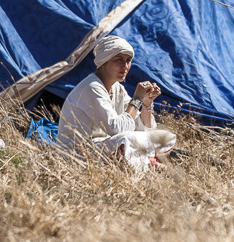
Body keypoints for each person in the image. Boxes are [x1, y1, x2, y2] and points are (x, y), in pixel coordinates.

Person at [57, 35, 176, 172]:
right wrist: (137, 99)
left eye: (128, 61)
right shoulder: (92, 87)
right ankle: (149, 164)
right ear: (104, 63)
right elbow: (117, 129)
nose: (125, 66)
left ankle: (147, 161)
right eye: (119, 60)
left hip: (103, 147)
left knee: (165, 137)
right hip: (78, 153)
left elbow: (143, 128)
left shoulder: (117, 88)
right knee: (127, 138)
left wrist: (147, 103)